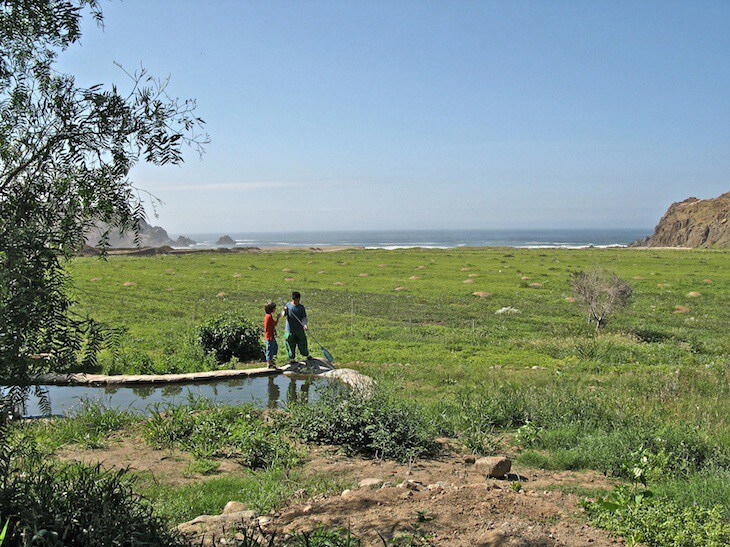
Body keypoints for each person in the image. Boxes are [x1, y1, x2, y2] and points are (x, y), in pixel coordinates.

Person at [283, 291, 312, 363]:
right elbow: (283, 314)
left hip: (299, 329)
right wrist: (285, 311)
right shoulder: (288, 305)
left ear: (299, 299)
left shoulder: (301, 307)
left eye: (297, 300)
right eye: (295, 300)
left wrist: (305, 324)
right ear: (292, 299)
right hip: (290, 330)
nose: (296, 302)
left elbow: (304, 318)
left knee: (303, 343)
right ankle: (291, 359)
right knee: (290, 344)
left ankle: (307, 355)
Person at [263, 301, 280, 369]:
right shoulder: (269, 316)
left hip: (271, 335)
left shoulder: (267, 316)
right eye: (274, 308)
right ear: (271, 309)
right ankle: (269, 363)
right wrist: (278, 317)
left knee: (275, 347)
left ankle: (272, 360)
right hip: (269, 336)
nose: (275, 309)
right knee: (270, 350)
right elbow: (275, 324)